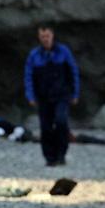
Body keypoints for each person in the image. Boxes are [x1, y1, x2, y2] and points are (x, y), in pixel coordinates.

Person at [24, 24, 79, 166]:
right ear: (39, 37)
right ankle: (50, 157)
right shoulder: (34, 55)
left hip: (61, 95)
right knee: (46, 126)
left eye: (47, 36)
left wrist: (75, 93)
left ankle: (61, 154)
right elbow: (28, 76)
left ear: (52, 35)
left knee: (61, 122)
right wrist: (30, 96)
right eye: (42, 36)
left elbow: (73, 72)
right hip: (43, 96)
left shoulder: (63, 51)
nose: (45, 39)